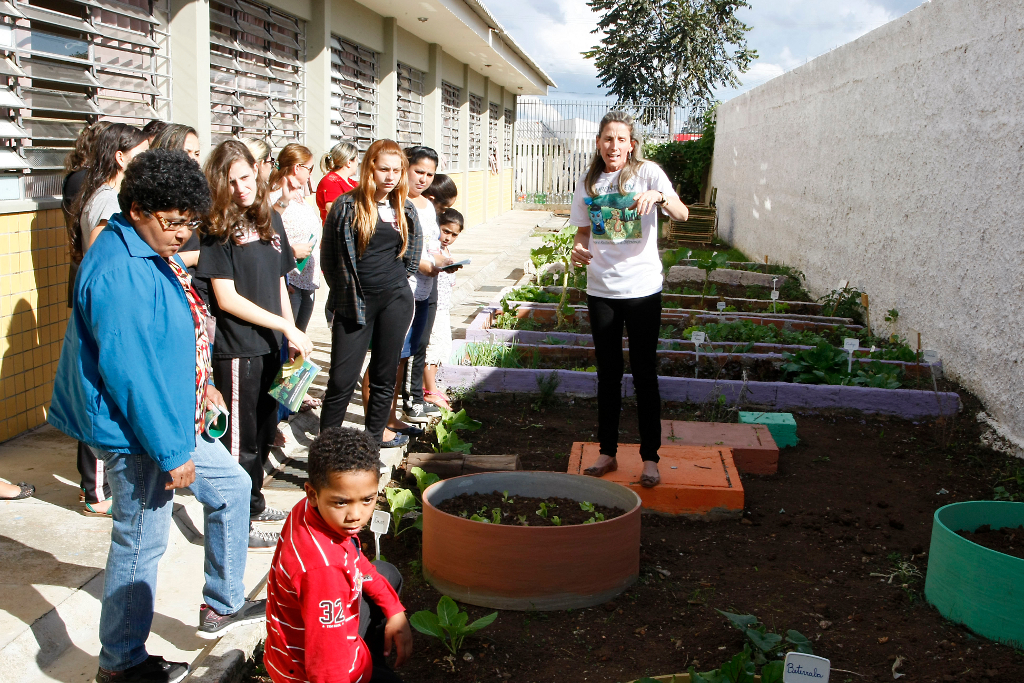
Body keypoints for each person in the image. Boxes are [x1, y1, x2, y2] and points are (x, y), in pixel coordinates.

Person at [49, 149, 266, 683]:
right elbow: (133, 375)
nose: (183, 234)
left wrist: (206, 385)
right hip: (141, 433)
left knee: (233, 489)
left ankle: (222, 602)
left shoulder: (146, 246)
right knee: (142, 540)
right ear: (139, 208)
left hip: (176, 413)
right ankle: (121, 662)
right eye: (174, 223)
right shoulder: (120, 270)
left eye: (191, 223)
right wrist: (171, 452)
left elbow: (178, 332)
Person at [197, 140, 314, 548]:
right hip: (237, 351)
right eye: (230, 181)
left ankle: (255, 501)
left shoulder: (269, 220)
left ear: (257, 172)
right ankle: (237, 524)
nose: (241, 187)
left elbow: (280, 281)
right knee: (240, 443)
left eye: (245, 177)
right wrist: (284, 326)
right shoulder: (216, 230)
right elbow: (227, 299)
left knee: (265, 433)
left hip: (271, 347)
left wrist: (289, 333)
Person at [568, 111, 689, 488]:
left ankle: (650, 458)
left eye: (621, 139)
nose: (614, 146)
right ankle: (607, 451)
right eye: (607, 139)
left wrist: (660, 195)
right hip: (601, 290)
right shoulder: (589, 181)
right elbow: (583, 234)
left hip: (642, 291)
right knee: (607, 375)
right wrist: (577, 248)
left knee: (644, 374)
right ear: (599, 143)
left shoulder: (648, 173)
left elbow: (682, 214)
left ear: (631, 143)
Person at [265, 426, 412, 683]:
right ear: (312, 493)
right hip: (309, 670)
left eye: (367, 499)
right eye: (342, 502)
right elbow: (326, 668)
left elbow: (355, 559)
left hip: (293, 648)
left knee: (385, 574)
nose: (356, 515)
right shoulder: (323, 570)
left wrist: (395, 610)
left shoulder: (311, 511)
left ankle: (373, 661)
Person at [67, 122, 149, 515]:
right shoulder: (105, 198)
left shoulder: (109, 194)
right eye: (140, 153)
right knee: (100, 393)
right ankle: (95, 490)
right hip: (106, 308)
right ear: (120, 156)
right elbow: (103, 257)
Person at [319, 139, 422, 448]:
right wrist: (345, 293)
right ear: (370, 169)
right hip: (354, 302)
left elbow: (411, 255)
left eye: (396, 170)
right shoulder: (346, 205)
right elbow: (329, 259)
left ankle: (371, 446)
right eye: (383, 169)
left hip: (395, 300)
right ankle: (327, 451)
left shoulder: (405, 207)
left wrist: (394, 282)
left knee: (383, 376)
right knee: (341, 380)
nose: (390, 176)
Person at [361, 146, 453, 438]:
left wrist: (442, 261)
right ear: (405, 169)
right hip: (398, 291)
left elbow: (429, 245)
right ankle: (376, 423)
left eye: (430, 174)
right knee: (384, 358)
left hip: (424, 291)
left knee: (402, 358)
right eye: (418, 172)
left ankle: (392, 415)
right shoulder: (392, 204)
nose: (424, 179)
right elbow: (389, 251)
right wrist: (422, 264)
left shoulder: (426, 205)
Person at [422, 208, 465, 411]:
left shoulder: (446, 251)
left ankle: (430, 387)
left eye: (454, 234)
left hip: (443, 307)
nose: (448, 237)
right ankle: (428, 390)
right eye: (445, 231)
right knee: (432, 347)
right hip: (432, 305)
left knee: (441, 347)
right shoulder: (432, 249)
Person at [152, 124, 205, 271]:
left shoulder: (198, 193)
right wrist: (194, 257)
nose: (194, 160)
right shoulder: (153, 196)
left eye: (197, 153)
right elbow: (152, 256)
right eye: (187, 152)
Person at [316, 141, 360, 222]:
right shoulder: (330, 182)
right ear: (349, 162)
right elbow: (336, 212)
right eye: (356, 160)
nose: (358, 164)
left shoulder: (351, 182)